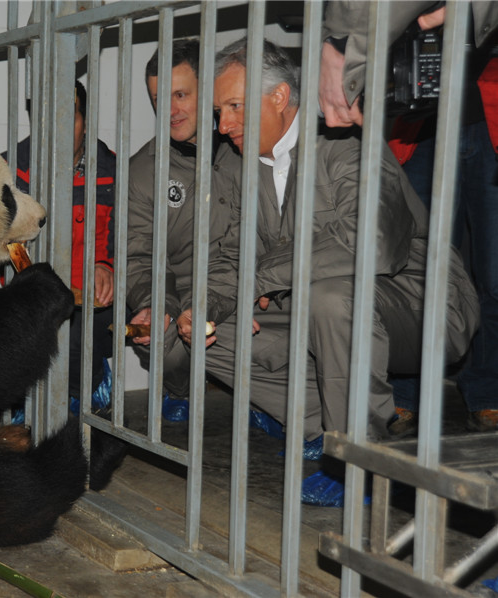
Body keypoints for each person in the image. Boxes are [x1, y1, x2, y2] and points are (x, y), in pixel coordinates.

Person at [184, 38, 479, 452]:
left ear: (280, 96)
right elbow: (233, 254)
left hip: (421, 303)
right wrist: (207, 304)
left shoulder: (346, 142)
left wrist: (265, 275)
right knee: (195, 331)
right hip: (311, 303)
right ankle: (325, 429)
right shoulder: (237, 165)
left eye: (234, 107)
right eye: (218, 112)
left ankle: (357, 455)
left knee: (329, 297)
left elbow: (375, 243)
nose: (222, 126)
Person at [321, 1, 498, 433]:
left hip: (489, 112)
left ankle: (487, 390)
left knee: (495, 274)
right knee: (416, 270)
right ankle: (406, 394)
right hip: (416, 123)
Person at [0, 80, 116, 408]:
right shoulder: (6, 171)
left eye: (72, 114)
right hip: (22, 291)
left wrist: (108, 266)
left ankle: (83, 393)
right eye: (51, 115)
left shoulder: (113, 171)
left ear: (86, 121)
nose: (62, 126)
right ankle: (25, 405)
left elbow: (130, 237)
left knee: (73, 334)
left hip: (86, 299)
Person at [125, 37, 226, 422]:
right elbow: (138, 253)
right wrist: (154, 304)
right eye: (158, 99)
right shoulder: (142, 170)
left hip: (251, 292)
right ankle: (179, 387)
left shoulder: (248, 149)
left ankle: (268, 397)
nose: (169, 110)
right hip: (182, 298)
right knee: (159, 337)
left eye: (180, 95)